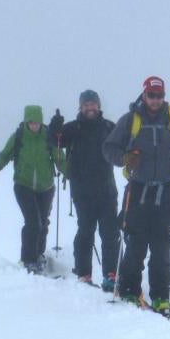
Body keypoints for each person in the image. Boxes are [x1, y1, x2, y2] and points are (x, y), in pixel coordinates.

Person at [103, 76, 170, 315]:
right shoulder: (131, 120)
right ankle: (128, 290)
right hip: (138, 190)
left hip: (167, 191)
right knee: (136, 243)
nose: (156, 100)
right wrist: (124, 158)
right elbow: (109, 148)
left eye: (159, 96)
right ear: (144, 94)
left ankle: (160, 296)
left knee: (161, 245)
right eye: (151, 95)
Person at [48, 90, 119, 290]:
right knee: (86, 232)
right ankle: (83, 275)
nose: (90, 108)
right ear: (81, 107)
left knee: (110, 233)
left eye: (93, 104)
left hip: (107, 191)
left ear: (99, 106)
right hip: (82, 191)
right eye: (86, 104)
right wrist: (54, 127)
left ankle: (111, 276)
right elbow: (55, 141)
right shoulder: (73, 128)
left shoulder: (109, 127)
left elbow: (126, 142)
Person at [0, 105, 66, 273]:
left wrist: (70, 172)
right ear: (26, 121)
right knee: (33, 222)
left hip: (46, 187)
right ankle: (27, 260)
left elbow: (59, 157)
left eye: (37, 122)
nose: (34, 125)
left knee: (43, 222)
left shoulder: (48, 136)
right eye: (31, 122)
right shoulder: (18, 137)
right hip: (23, 185)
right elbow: (6, 154)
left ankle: (38, 254)